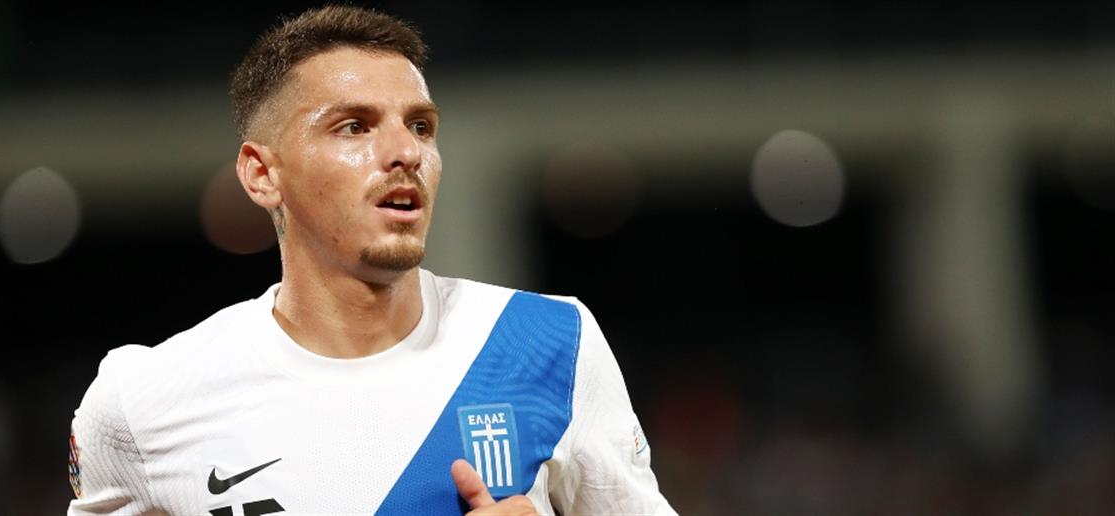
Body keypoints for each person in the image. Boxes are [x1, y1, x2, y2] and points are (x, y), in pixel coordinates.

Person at [67, 5, 674, 515]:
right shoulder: (143, 401)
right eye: (354, 126)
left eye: (421, 126)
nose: (405, 151)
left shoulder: (546, 340)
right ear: (262, 174)